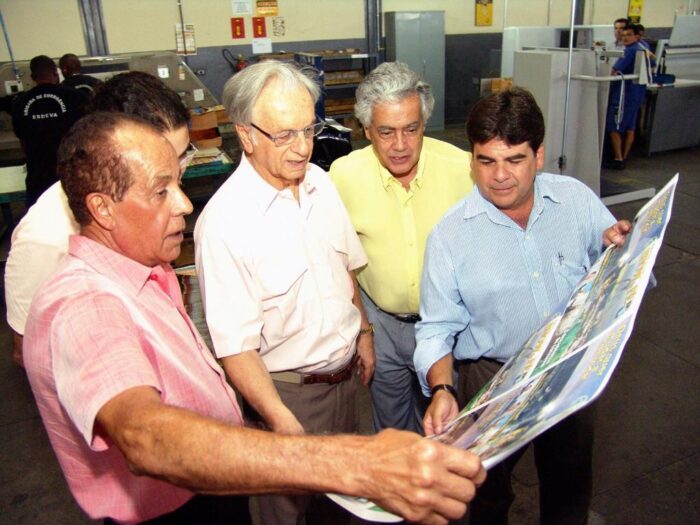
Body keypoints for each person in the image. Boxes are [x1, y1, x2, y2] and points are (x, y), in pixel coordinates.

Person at [24, 110, 486, 525]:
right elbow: (144, 436)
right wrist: (359, 463)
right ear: (102, 208)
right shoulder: (85, 303)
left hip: (210, 494)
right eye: (160, 191)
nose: (184, 204)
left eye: (179, 183)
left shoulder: (144, 273)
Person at [414, 87, 632, 525]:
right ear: (471, 159)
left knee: (569, 485)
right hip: (492, 379)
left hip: (567, 370)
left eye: (514, 159)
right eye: (486, 160)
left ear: (539, 155)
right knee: (486, 493)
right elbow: (436, 328)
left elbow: (620, 276)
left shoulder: (575, 200)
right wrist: (441, 389)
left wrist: (622, 250)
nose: (499, 176)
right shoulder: (450, 236)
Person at [194, 60, 376, 525]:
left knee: (345, 505)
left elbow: (342, 268)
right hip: (289, 397)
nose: (302, 148)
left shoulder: (320, 183)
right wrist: (279, 419)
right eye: (284, 135)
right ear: (247, 135)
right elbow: (235, 347)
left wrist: (365, 334)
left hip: (347, 384)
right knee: (286, 514)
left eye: (308, 129)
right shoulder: (225, 223)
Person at [4, 71, 193, 367]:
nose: (178, 174)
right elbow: (28, 351)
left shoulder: (154, 203)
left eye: (183, 158)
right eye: (165, 160)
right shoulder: (44, 236)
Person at [329, 61, 473, 434]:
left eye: (412, 129)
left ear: (425, 123)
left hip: (447, 328)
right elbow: (336, 258)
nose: (400, 146)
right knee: (393, 435)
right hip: (381, 326)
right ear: (366, 131)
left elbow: (517, 199)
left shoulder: (463, 170)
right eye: (386, 132)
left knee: (450, 431)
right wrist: (363, 331)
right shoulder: (343, 177)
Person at [11, 54, 83, 206]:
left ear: (32, 76)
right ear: (55, 73)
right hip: (69, 172)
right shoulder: (73, 97)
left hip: (38, 174)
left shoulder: (20, 103)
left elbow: (22, 141)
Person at [606, 23, 655, 170]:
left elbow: (615, 70)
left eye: (628, 35)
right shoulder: (643, 48)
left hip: (624, 94)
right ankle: (624, 156)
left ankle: (618, 158)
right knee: (630, 128)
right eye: (624, 35)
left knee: (613, 126)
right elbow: (653, 63)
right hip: (636, 94)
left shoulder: (629, 51)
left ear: (636, 36)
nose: (625, 37)